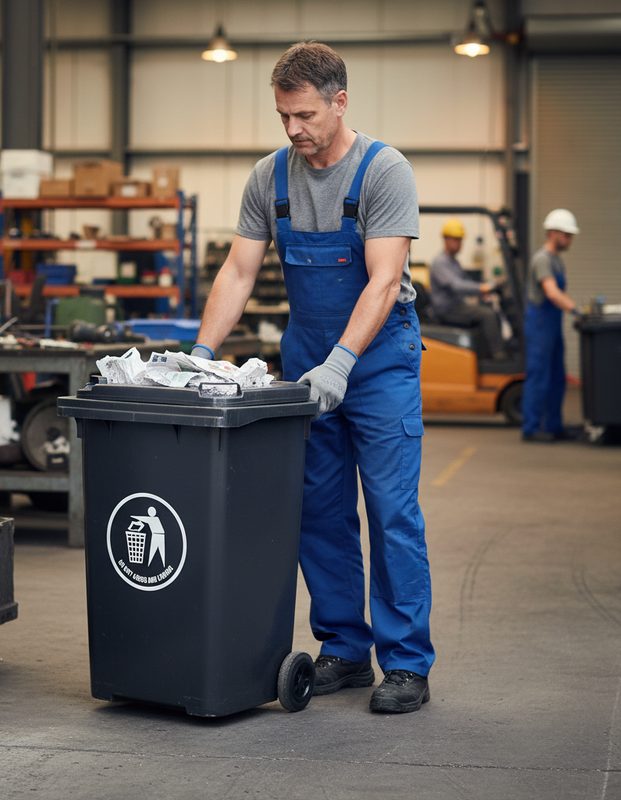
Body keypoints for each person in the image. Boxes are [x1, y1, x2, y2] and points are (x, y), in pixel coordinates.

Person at [191, 41, 434, 713]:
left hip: (378, 363)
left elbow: (384, 281)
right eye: (283, 116)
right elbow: (239, 271)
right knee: (319, 512)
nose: (293, 129)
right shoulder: (269, 178)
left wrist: (343, 362)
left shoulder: (385, 171)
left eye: (305, 115)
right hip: (307, 364)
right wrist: (199, 355)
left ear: (340, 102)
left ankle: (406, 663)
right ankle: (345, 649)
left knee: (391, 512)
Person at [521, 209, 580, 442]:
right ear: (553, 233)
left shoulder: (557, 260)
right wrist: (576, 310)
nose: (570, 240)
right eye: (567, 235)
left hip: (552, 326)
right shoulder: (543, 259)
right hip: (540, 325)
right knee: (539, 377)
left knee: (557, 377)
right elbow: (552, 292)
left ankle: (554, 426)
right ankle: (531, 428)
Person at [429, 219, 506, 359]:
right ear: (446, 239)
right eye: (456, 240)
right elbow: (456, 285)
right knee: (488, 315)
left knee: (487, 307)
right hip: (447, 309)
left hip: (457, 305)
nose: (459, 244)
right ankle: (498, 354)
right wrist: (481, 288)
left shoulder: (453, 261)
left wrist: (481, 292)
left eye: (460, 240)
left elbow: (465, 281)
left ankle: (485, 352)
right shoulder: (440, 263)